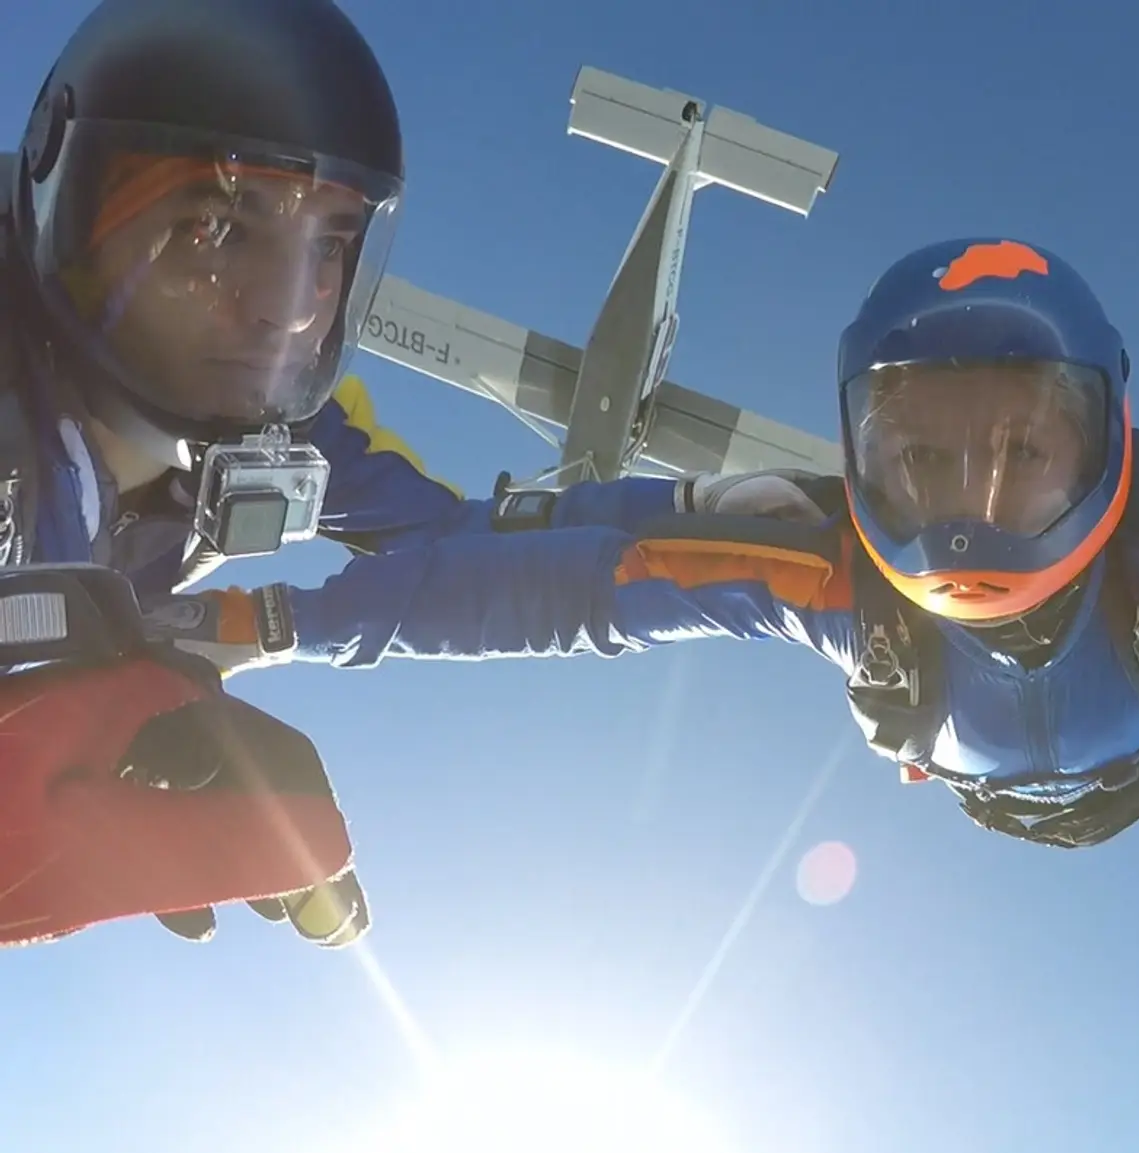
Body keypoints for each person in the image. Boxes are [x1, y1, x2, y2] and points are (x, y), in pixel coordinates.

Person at [241, 237, 1139, 847]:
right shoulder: (852, 563)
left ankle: (389, 503)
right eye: (923, 455)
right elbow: (577, 578)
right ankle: (372, 491)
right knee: (570, 527)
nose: (971, 500)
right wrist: (285, 620)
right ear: (866, 447)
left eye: (1021, 449)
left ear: (1097, 437)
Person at [1, 0, 689, 949]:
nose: (286, 312)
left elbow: (463, 543)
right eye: (215, 227)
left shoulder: (293, 430)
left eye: (327, 244)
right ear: (65, 195)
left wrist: (758, 557)